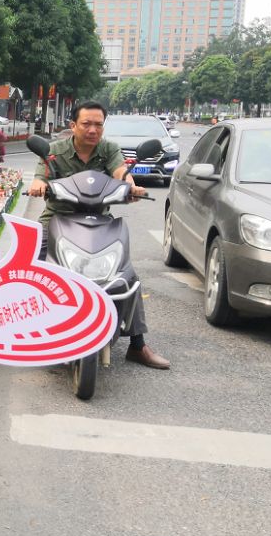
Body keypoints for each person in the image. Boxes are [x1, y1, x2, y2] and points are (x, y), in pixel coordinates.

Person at [26, 100, 170, 370]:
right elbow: (41, 175)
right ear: (73, 126)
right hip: (58, 218)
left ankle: (138, 345)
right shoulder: (55, 150)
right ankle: (32, 332)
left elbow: (120, 172)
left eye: (98, 124)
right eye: (86, 124)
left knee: (126, 275)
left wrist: (131, 186)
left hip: (99, 219)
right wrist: (37, 185)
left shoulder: (109, 149)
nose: (93, 130)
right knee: (32, 266)